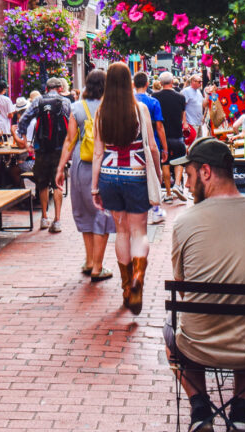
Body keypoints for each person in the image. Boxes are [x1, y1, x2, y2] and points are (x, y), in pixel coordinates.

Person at [166, 138, 245, 432]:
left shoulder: (184, 222)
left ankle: (200, 409)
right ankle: (241, 413)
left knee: (170, 331)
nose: (189, 185)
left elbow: (182, 286)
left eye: (190, 176)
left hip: (197, 344)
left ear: (206, 172)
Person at [92, 62, 161, 314]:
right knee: (139, 233)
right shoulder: (140, 108)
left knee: (121, 232)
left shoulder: (101, 111)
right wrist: (159, 173)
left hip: (109, 177)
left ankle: (125, 288)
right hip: (136, 175)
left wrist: (94, 187)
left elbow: (98, 152)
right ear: (129, 81)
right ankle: (138, 280)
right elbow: (152, 146)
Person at [56, 69, 116, 281]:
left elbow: (69, 141)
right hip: (106, 164)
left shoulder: (76, 108)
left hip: (81, 165)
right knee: (103, 213)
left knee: (85, 212)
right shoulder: (111, 107)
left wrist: (60, 168)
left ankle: (89, 260)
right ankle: (98, 266)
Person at [16, 77, 71, 232]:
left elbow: (24, 120)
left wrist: (24, 139)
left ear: (46, 88)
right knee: (58, 183)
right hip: (59, 149)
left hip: (41, 148)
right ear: (60, 88)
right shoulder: (65, 102)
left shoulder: (38, 101)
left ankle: (44, 217)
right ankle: (57, 220)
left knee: (42, 183)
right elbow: (71, 125)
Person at [133, 71, 168, 224]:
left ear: (134, 84)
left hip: (132, 145)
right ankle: (155, 209)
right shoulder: (153, 102)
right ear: (147, 84)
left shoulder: (129, 102)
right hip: (151, 142)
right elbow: (159, 127)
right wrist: (165, 148)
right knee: (154, 174)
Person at [155, 71, 188, 201]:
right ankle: (178, 184)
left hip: (163, 135)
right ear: (172, 81)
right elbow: (183, 118)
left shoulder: (155, 96)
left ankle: (168, 193)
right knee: (180, 160)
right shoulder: (180, 97)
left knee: (165, 163)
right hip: (177, 134)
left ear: (161, 82)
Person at [181, 74, 205, 139]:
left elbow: (201, 104)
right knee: (192, 144)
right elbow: (182, 107)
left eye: (201, 81)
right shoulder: (186, 91)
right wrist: (185, 122)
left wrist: (202, 116)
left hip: (198, 122)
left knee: (199, 143)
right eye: (199, 82)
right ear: (193, 81)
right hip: (191, 123)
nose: (201, 83)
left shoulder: (198, 91)